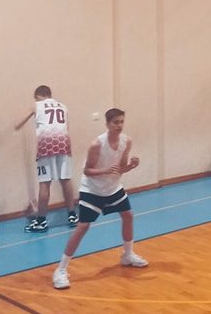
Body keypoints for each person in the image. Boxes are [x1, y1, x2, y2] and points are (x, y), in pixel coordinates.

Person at [52, 108, 147, 289]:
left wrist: (131, 166)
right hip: (92, 190)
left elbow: (120, 168)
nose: (119, 125)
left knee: (128, 215)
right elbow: (87, 170)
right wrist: (105, 170)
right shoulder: (97, 144)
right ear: (107, 124)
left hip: (113, 188)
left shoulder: (126, 141)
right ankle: (61, 269)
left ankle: (128, 255)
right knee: (83, 227)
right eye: (115, 122)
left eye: (121, 122)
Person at [14, 85, 78, 232]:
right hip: (64, 144)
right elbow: (66, 128)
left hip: (46, 145)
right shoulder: (63, 106)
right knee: (65, 180)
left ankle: (41, 221)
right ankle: (72, 215)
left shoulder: (36, 105)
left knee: (45, 183)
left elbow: (17, 124)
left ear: (38, 96)